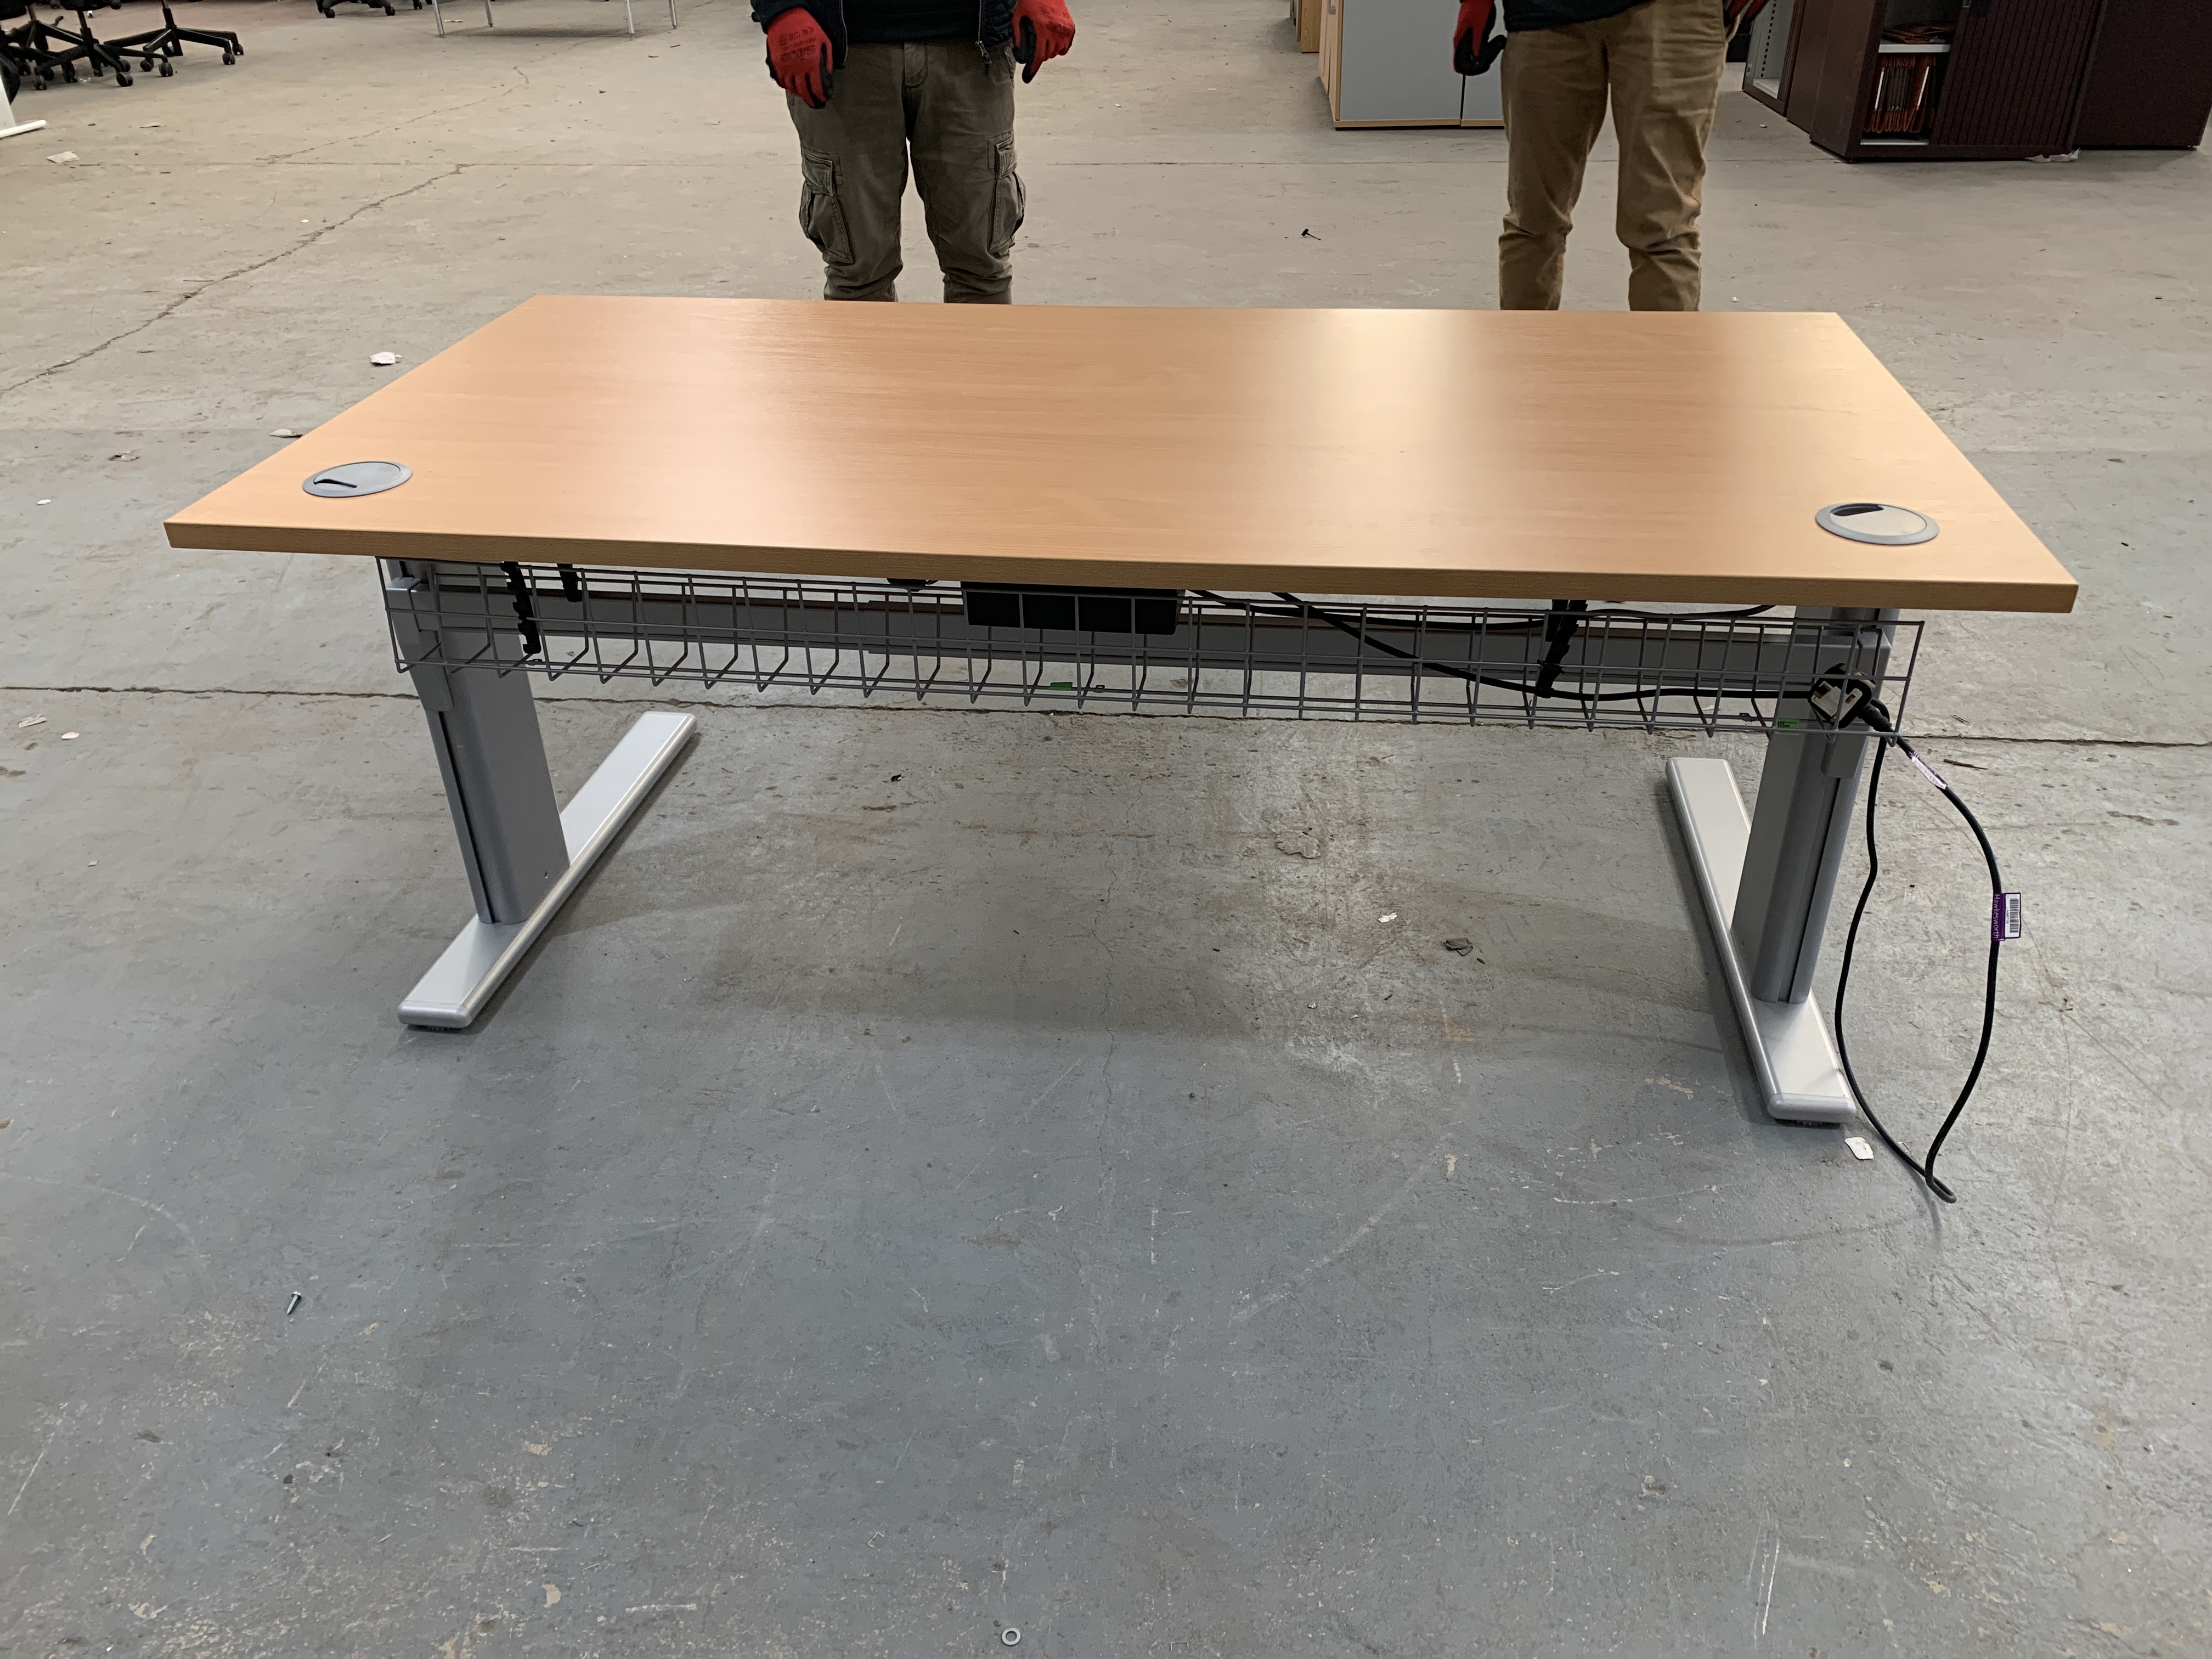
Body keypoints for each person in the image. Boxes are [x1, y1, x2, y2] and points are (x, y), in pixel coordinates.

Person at [754, 0, 1076, 304]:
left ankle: (979, 350)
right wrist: (784, 10)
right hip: (842, 51)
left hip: (971, 45)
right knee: (857, 273)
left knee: (981, 267)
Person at [1455, 0, 1764, 311]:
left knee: (1664, 226)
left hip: (1675, 11)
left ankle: (1664, 346)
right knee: (1533, 218)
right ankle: (1525, 343)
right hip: (1542, 12)